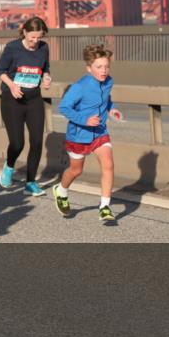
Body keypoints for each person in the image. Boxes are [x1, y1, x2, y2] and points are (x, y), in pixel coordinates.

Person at [56, 44, 121, 223]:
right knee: (76, 170)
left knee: (108, 164)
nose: (104, 70)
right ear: (89, 68)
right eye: (99, 67)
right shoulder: (80, 86)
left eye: (106, 66)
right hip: (79, 135)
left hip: (100, 132)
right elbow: (64, 107)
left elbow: (106, 100)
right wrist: (84, 119)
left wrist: (112, 110)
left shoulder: (109, 82)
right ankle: (61, 190)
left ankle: (105, 207)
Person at [0, 16, 51, 196]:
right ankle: (9, 166)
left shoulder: (44, 48)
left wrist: (47, 77)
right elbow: (0, 71)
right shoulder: (13, 48)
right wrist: (12, 85)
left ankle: (31, 183)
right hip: (13, 100)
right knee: (18, 143)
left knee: (36, 141)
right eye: (32, 37)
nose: (35, 41)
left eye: (39, 37)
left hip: (34, 99)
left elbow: (45, 68)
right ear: (25, 32)